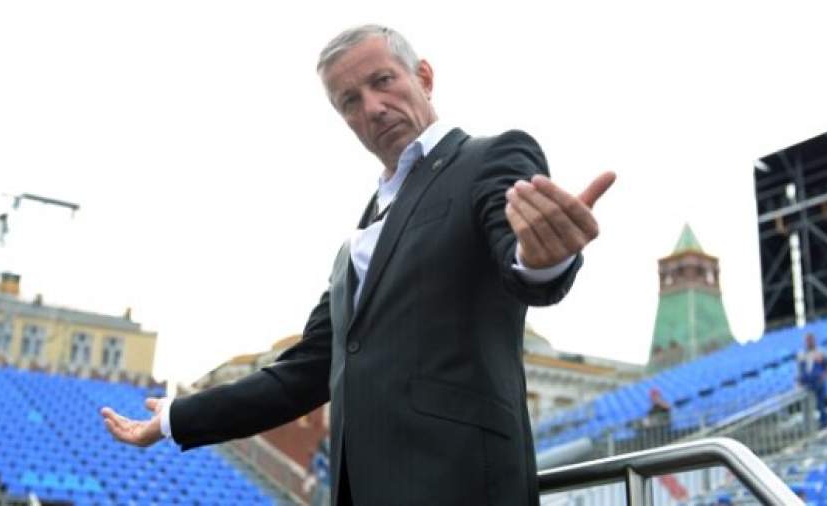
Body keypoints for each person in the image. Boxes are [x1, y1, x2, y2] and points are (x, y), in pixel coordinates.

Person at [100, 24, 615, 505]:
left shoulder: (490, 158)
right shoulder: (359, 240)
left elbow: (520, 255)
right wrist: (176, 418)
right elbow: (305, 371)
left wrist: (542, 259)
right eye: (350, 101)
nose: (372, 107)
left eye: (382, 81)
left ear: (424, 77)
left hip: (460, 481)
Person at [797, 332, 827, 429]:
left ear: (814, 341)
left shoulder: (820, 352)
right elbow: (800, 370)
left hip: (819, 382)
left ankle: (825, 422)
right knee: (807, 406)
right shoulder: (802, 354)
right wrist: (799, 381)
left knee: (820, 404)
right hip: (807, 384)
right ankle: (809, 426)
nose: (809, 342)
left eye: (811, 340)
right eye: (807, 341)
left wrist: (826, 375)